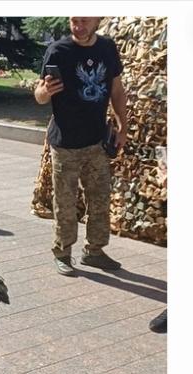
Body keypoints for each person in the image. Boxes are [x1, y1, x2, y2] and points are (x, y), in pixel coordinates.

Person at [35, 17, 127, 276]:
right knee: (65, 202)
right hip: (65, 143)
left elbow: (117, 91)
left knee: (99, 199)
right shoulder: (58, 50)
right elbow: (39, 95)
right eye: (74, 20)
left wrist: (123, 127)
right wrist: (46, 92)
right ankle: (63, 253)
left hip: (97, 140)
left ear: (97, 19)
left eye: (84, 21)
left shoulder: (107, 49)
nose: (78, 26)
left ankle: (94, 252)